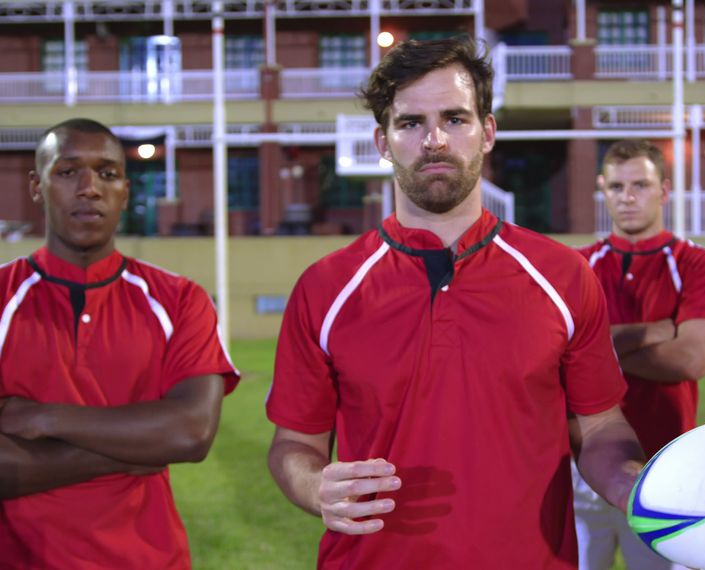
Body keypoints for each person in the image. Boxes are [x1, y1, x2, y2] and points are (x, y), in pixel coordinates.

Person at [265, 38, 645, 569]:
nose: (435, 140)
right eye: (411, 123)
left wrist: (630, 485)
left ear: (487, 132)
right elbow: (294, 444)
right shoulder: (326, 287)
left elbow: (602, 426)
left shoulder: (562, 276)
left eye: (455, 119)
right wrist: (314, 486)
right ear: (383, 141)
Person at [0, 118, 240, 569]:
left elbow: (190, 433)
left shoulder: (181, 301)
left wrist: (43, 416)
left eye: (107, 173)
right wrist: (126, 455)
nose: (89, 188)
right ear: (37, 185)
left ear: (125, 190)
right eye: (68, 171)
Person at [573, 140, 705, 570]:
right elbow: (554, 356)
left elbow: (690, 360)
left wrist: (593, 348)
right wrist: (657, 331)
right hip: (578, 461)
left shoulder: (697, 263)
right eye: (617, 186)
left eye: (640, 185)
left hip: (662, 465)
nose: (627, 197)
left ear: (663, 190)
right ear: (602, 189)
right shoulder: (576, 268)